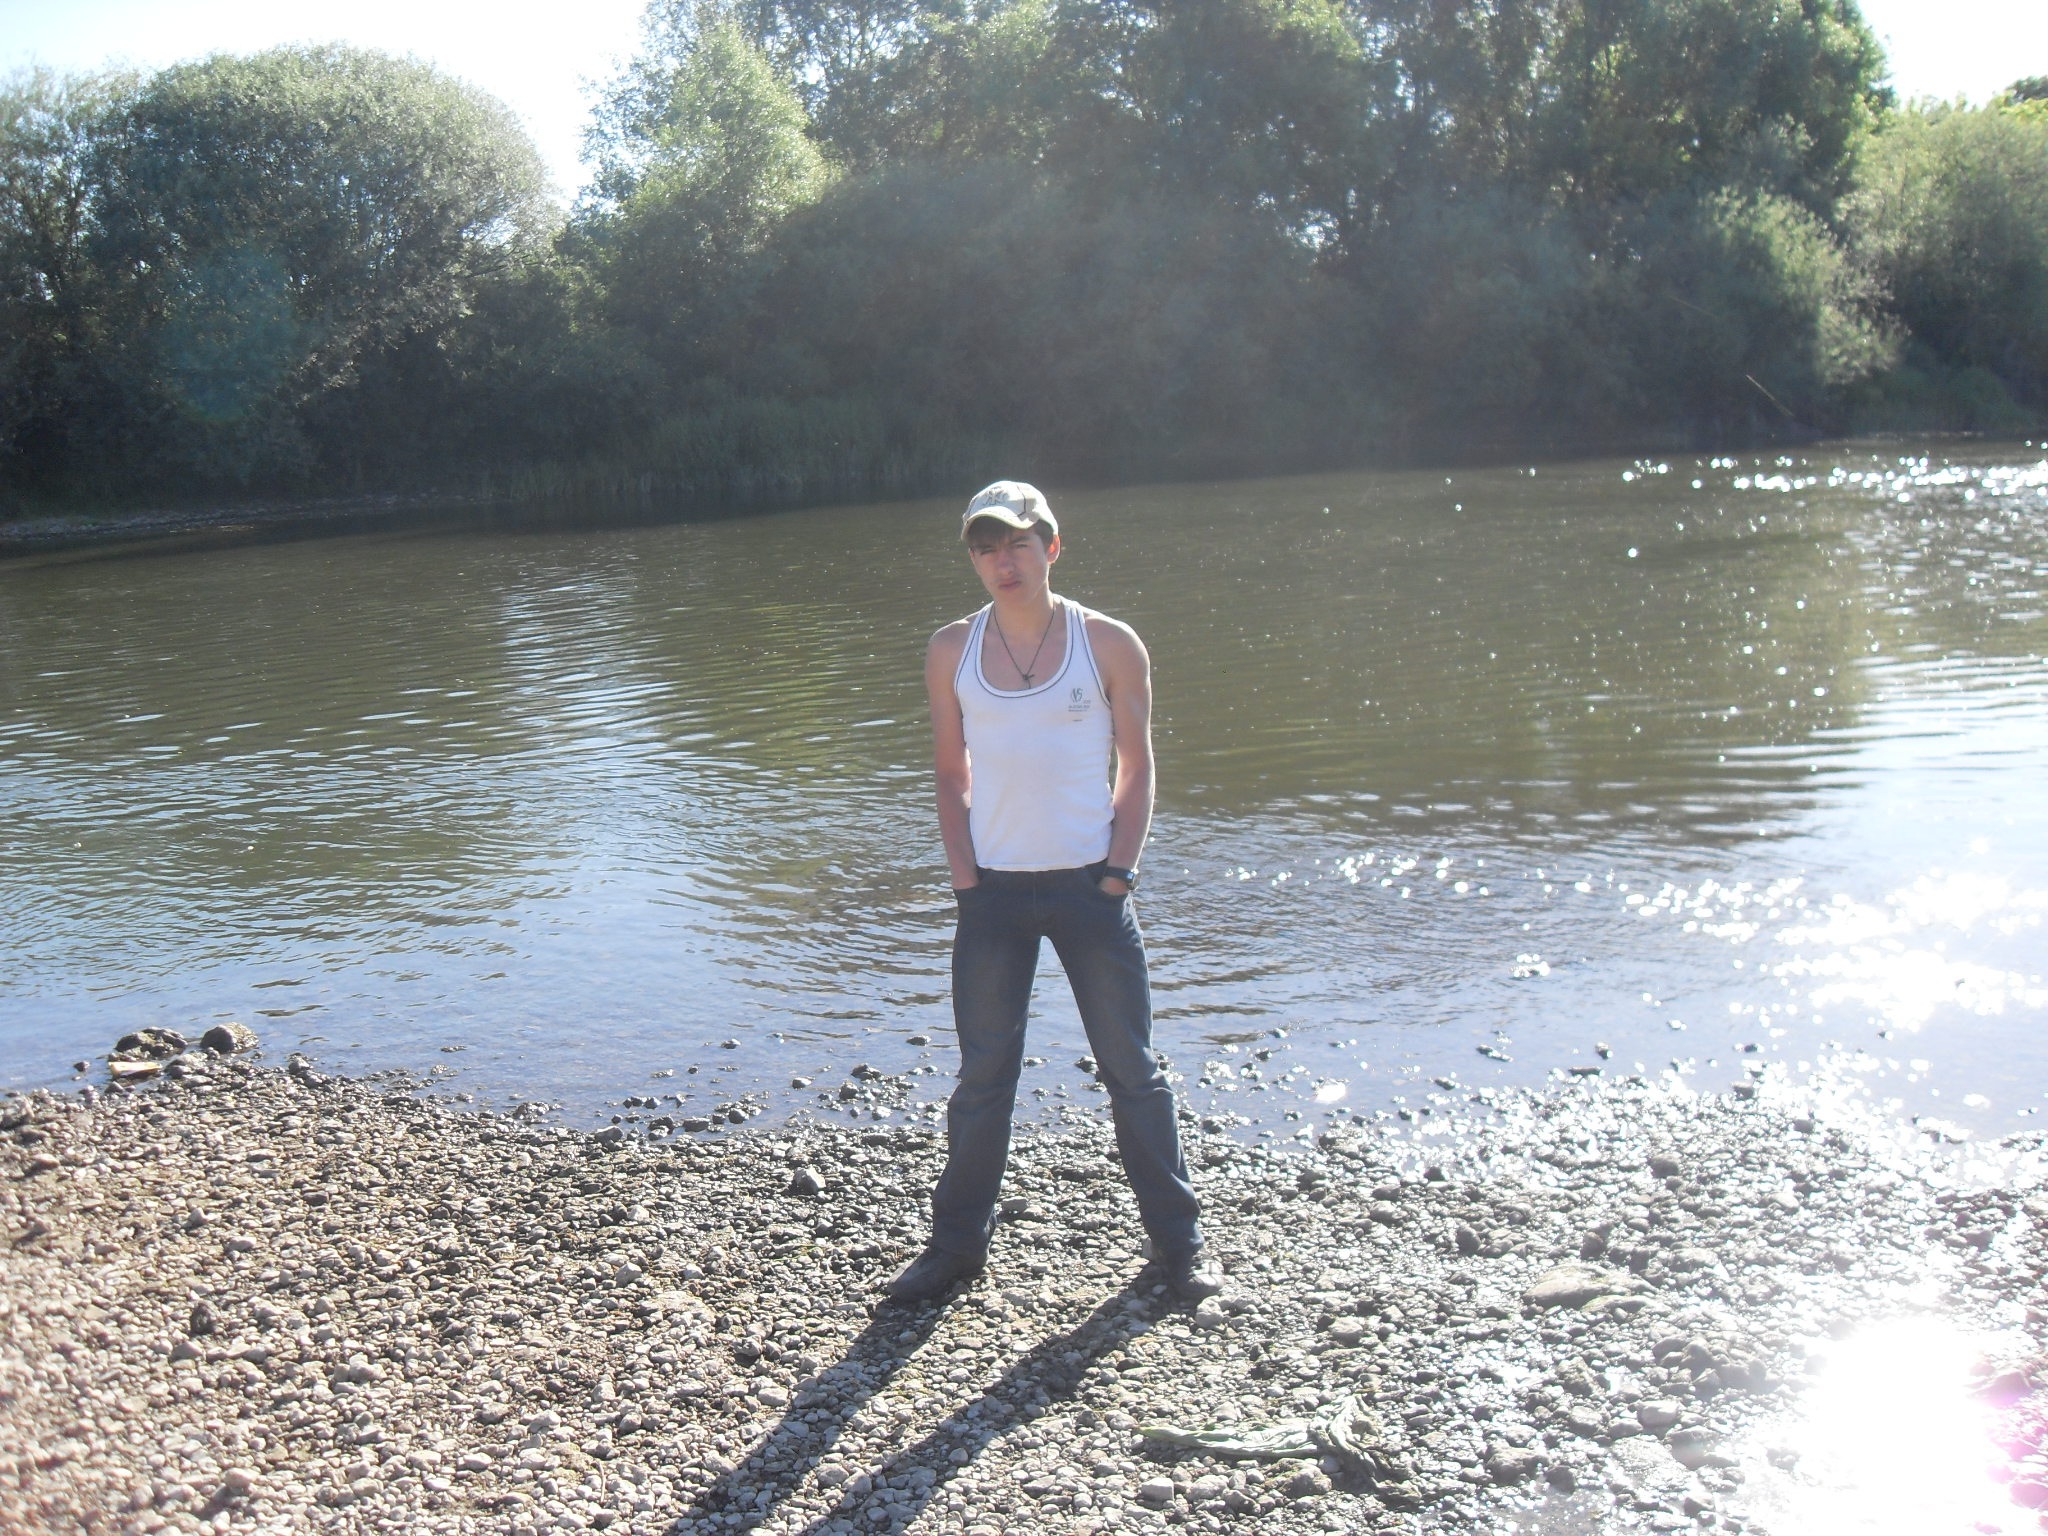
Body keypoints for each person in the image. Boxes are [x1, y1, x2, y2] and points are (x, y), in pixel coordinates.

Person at [884, 481, 1222, 1305]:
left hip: (1089, 891)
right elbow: (949, 772)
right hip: (993, 895)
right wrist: (966, 881)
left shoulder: (1107, 642)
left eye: (1018, 544)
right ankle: (955, 1248)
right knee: (983, 1077)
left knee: (1132, 1070)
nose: (1003, 562)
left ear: (1052, 547)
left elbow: (1138, 766)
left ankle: (1180, 1250)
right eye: (986, 548)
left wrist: (1118, 874)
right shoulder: (950, 649)